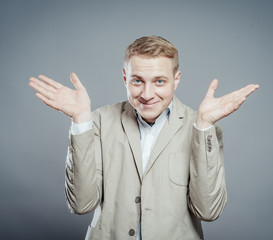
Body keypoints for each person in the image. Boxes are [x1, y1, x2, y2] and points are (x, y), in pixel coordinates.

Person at [29, 36, 259, 240]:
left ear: (176, 79)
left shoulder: (202, 128)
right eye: (137, 81)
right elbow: (81, 205)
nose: (147, 95)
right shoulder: (98, 121)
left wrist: (204, 126)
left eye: (159, 81)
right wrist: (81, 120)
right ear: (124, 77)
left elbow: (208, 212)